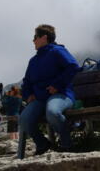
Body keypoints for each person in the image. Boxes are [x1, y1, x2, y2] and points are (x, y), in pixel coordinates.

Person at [20, 24, 80, 154]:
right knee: (24, 119)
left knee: (52, 112)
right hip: (40, 98)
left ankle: (66, 144)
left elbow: (73, 66)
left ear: (44, 38)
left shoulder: (58, 51)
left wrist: (57, 85)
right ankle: (42, 145)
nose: (33, 40)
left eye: (35, 37)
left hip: (61, 94)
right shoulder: (33, 60)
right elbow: (27, 81)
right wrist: (28, 94)